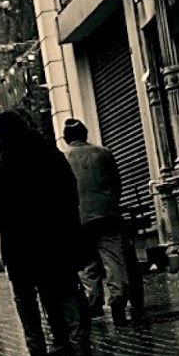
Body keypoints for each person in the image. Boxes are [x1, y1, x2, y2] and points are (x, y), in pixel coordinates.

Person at [0, 110, 94, 356]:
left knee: (26, 300)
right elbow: (70, 194)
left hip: (19, 246)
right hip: (54, 239)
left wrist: (11, 226)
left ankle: (37, 353)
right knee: (66, 291)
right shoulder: (51, 157)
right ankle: (80, 346)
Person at [61, 118, 135, 326]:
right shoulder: (104, 153)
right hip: (107, 216)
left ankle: (93, 304)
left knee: (87, 265)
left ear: (66, 139)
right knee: (114, 261)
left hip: (79, 219)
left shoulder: (63, 158)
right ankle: (118, 301)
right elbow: (116, 184)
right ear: (85, 134)